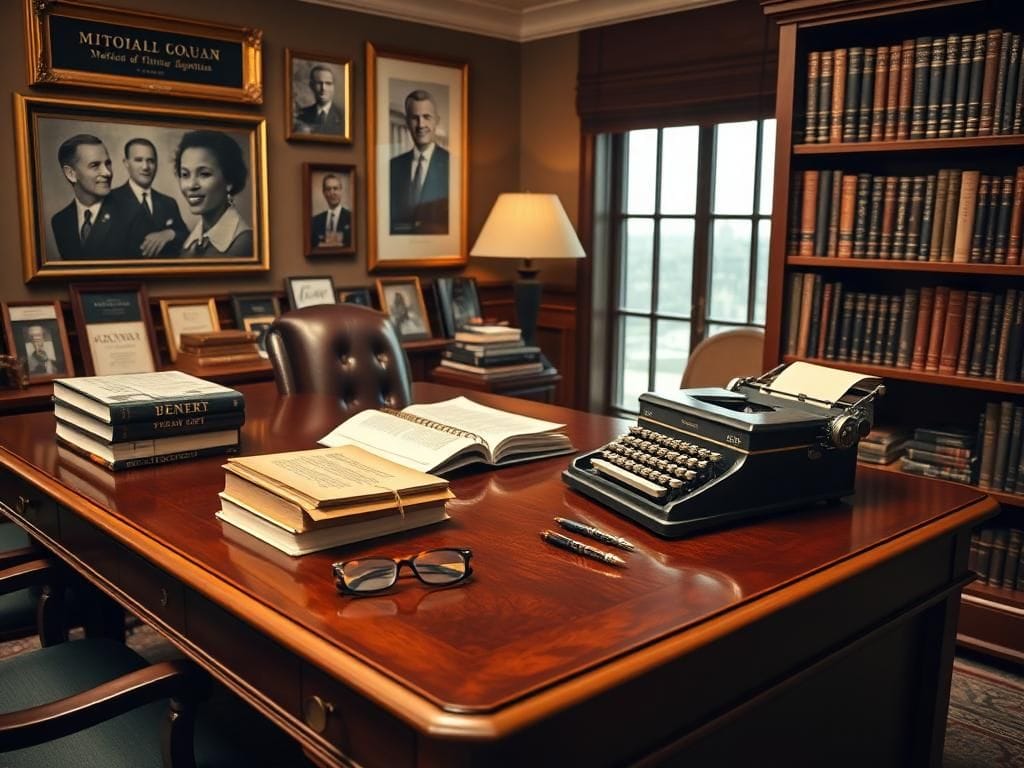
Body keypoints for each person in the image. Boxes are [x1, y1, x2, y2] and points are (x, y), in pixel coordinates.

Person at [174, 130, 253, 256]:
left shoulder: (244, 243)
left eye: (204, 174)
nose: (191, 185)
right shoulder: (189, 243)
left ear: (229, 181)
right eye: (185, 174)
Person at [107, 138, 189, 258]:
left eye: (150, 161)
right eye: (138, 160)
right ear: (126, 163)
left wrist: (170, 233)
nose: (145, 167)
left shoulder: (168, 203)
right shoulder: (110, 200)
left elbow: (186, 236)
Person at [50, 134, 123, 260]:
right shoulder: (60, 222)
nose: (107, 172)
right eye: (95, 165)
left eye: (108, 163)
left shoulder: (131, 212)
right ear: (71, 174)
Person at [389, 89, 449, 235]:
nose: (421, 124)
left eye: (427, 117)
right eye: (415, 118)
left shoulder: (453, 165)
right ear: (407, 122)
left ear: (437, 121)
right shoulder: (393, 167)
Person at [294, 64, 345, 135]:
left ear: (333, 87)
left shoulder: (344, 116)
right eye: (319, 83)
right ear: (311, 85)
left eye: (328, 83)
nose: (323, 88)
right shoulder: (301, 115)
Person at [310, 174, 351, 248]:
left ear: (341, 191)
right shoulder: (315, 221)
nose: (332, 193)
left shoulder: (351, 218)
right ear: (324, 193)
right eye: (328, 189)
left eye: (335, 188)